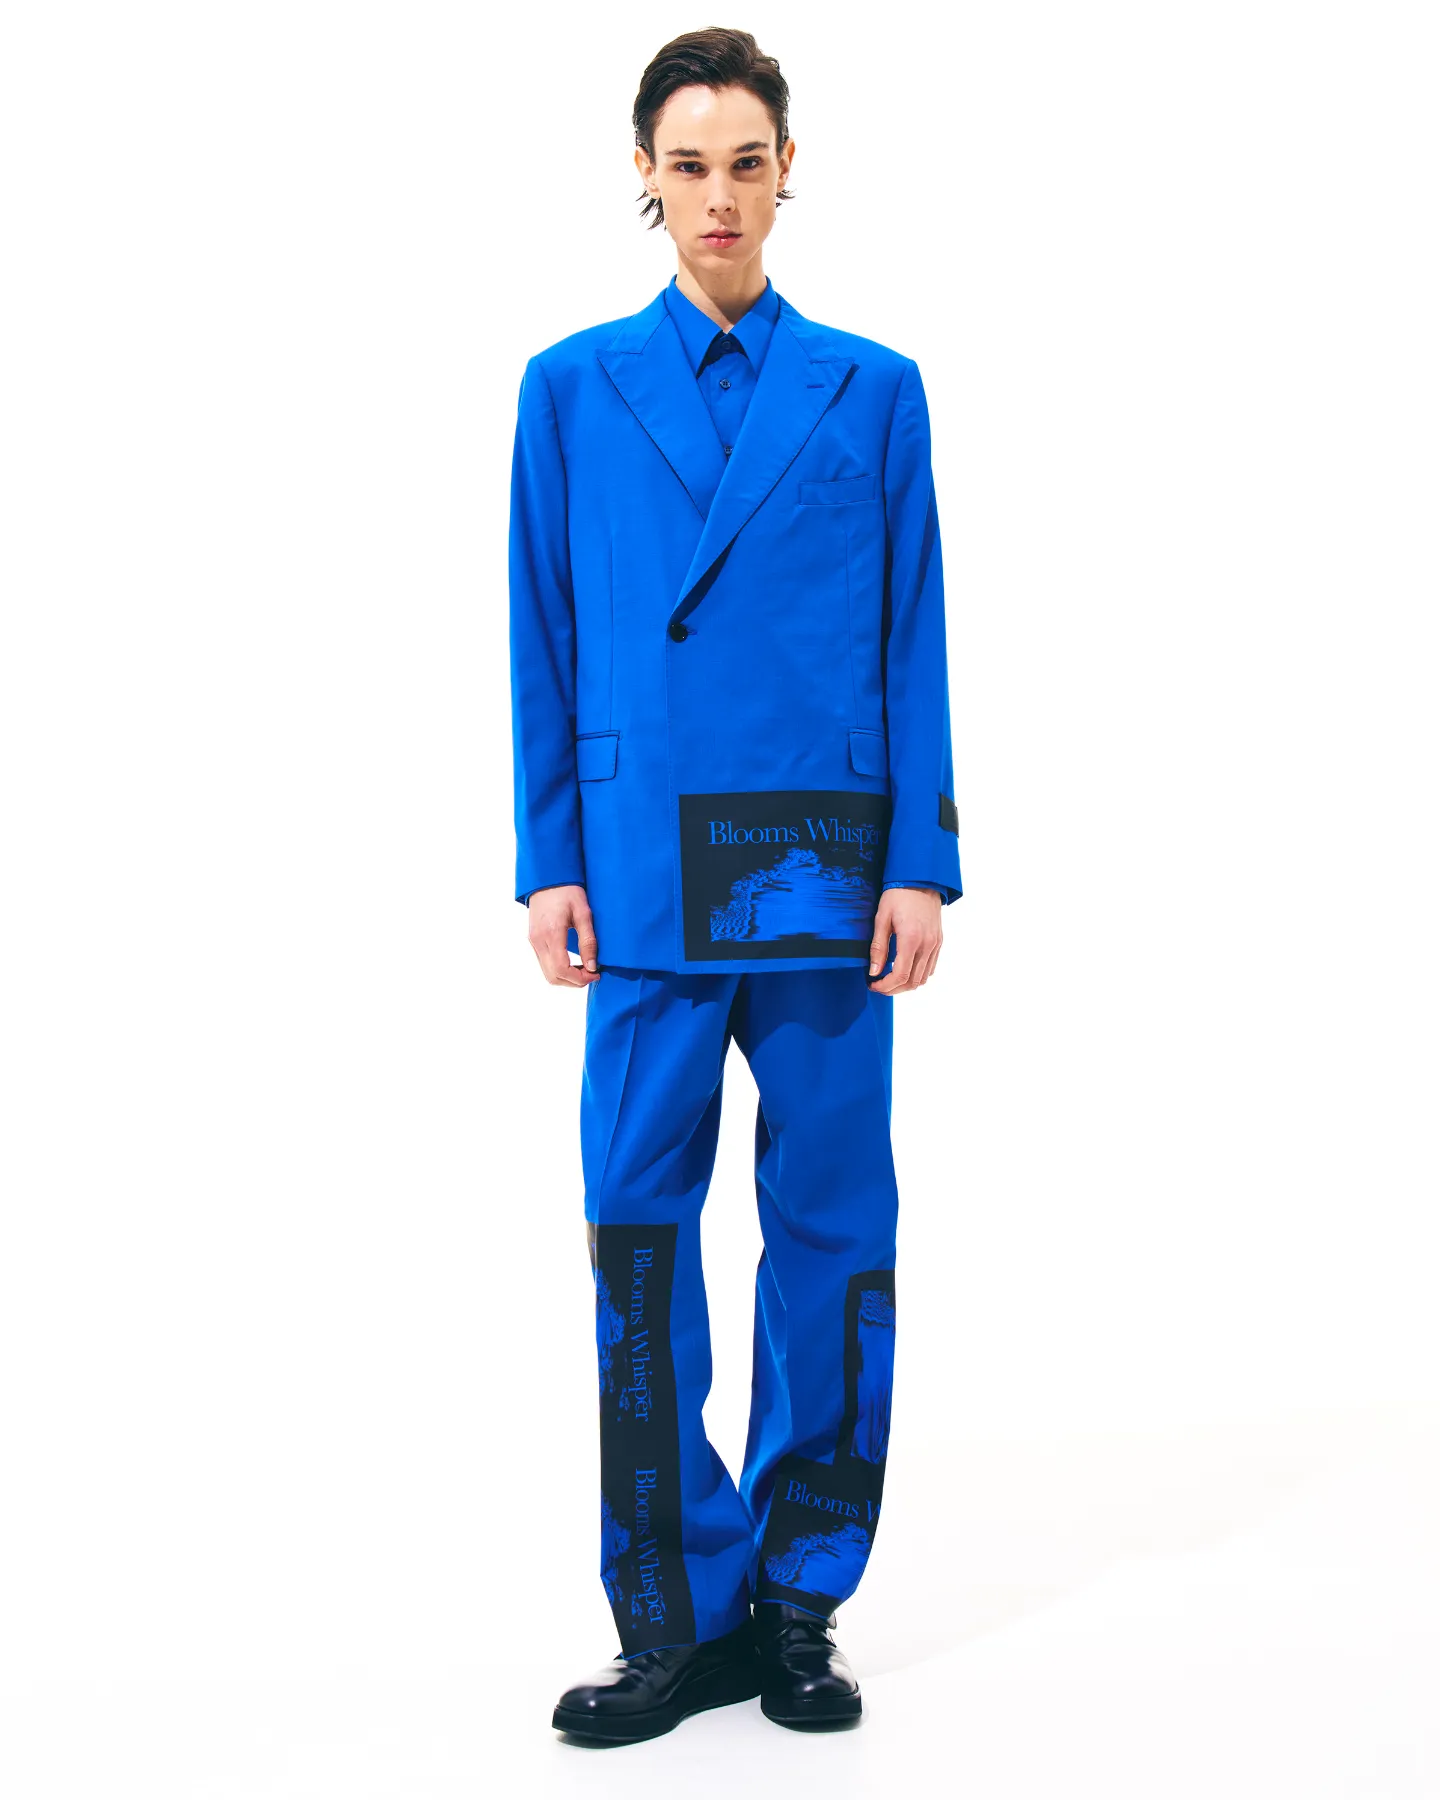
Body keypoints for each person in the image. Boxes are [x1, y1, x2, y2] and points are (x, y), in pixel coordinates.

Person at [508, 26, 963, 1744]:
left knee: (834, 1228)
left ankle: (796, 1599)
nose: (718, 196)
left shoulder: (872, 387)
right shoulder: (569, 388)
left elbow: (911, 630)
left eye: (746, 163)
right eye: (688, 164)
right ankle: (671, 1608)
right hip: (638, 868)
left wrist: (920, 860)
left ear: (788, 174)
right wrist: (550, 855)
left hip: (826, 867)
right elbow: (543, 632)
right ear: (644, 173)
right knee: (638, 1234)